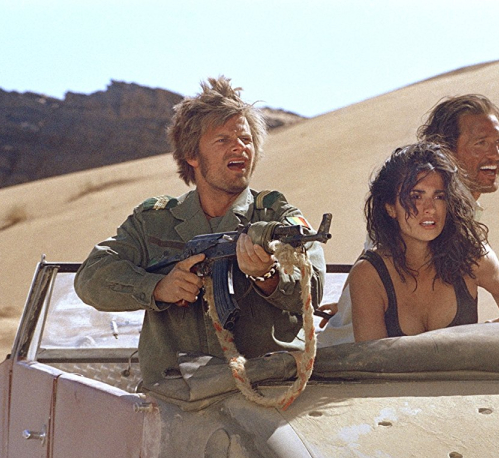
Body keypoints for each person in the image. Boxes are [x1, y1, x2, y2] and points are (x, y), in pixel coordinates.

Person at [75, 77, 325, 385]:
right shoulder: (153, 221)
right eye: (223, 140)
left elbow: (313, 289)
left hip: (267, 386)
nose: (240, 147)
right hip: (177, 392)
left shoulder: (277, 217)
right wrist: (158, 288)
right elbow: (91, 278)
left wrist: (268, 277)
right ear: (192, 155)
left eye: (246, 139)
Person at [318, 94, 499, 345]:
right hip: (357, 353)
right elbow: (372, 266)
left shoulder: (457, 222)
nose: (495, 154)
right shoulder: (408, 210)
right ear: (445, 150)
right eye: (481, 143)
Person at [349, 143, 499, 342]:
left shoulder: (472, 256)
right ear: (390, 207)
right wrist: (477, 338)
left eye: (439, 196)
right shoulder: (369, 274)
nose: (431, 208)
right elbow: (374, 359)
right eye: (416, 196)